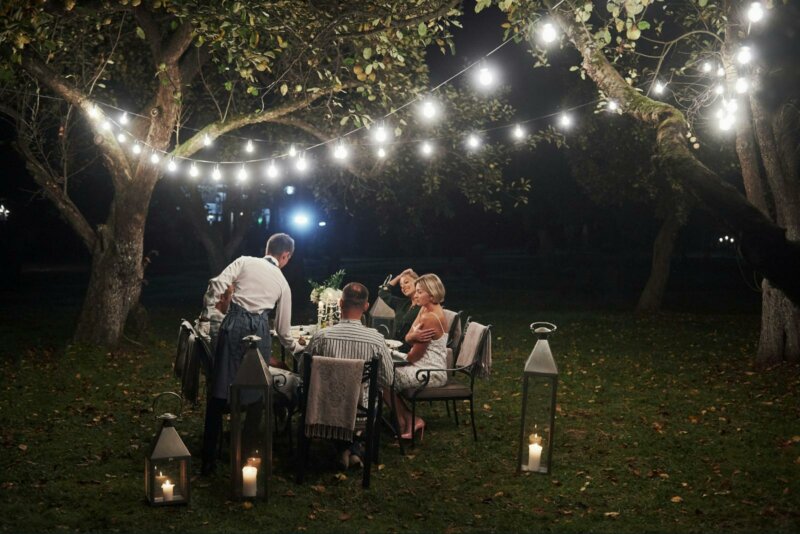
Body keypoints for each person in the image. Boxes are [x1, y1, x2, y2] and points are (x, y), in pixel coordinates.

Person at [200, 232, 303, 476]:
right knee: (257, 393)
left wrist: (208, 314)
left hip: (233, 325)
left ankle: (208, 459)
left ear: (267, 249)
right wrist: (299, 350)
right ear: (285, 255)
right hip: (259, 331)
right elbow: (283, 331)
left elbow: (216, 284)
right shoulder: (282, 282)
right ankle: (245, 455)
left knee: (219, 391)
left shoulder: (245, 261)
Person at [303, 282, 395, 469]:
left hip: (324, 408)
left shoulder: (322, 336)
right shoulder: (376, 339)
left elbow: (304, 373)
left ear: (340, 303)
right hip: (361, 412)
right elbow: (388, 379)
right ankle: (354, 449)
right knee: (368, 397)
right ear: (366, 306)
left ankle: (345, 449)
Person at [387, 274, 448, 441]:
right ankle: (409, 417)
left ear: (432, 294)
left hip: (431, 371)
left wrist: (411, 339)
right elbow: (408, 337)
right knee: (382, 368)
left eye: (420, 292)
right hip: (419, 363)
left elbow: (413, 357)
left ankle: (404, 419)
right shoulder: (424, 308)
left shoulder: (430, 317)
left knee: (382, 377)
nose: (416, 295)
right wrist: (410, 338)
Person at [378, 269, 435, 350]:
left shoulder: (424, 306)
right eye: (401, 286)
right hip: (393, 349)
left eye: (406, 282)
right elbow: (382, 292)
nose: (403, 287)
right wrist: (399, 276)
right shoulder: (401, 304)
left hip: (410, 351)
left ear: (417, 282)